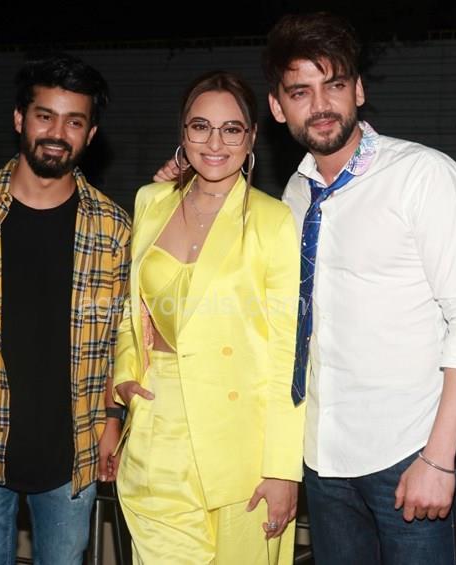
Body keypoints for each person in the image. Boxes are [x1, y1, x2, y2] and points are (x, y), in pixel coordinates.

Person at [156, 12, 456, 565]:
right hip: (319, 458)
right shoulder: (291, 198)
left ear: (358, 91)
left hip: (406, 453)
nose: (320, 105)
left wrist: (439, 457)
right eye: (300, 92)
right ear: (277, 107)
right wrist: (179, 184)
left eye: (334, 85)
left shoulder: (423, 176)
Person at [0, 51, 131, 565]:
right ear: (19, 119)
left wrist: (111, 423)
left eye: (74, 121)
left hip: (74, 452)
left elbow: (117, 340)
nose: (57, 133)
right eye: (45, 116)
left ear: (90, 133)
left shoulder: (113, 227)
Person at [112, 70, 305, 564]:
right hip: (157, 428)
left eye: (231, 129)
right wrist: (126, 374)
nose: (214, 143)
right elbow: (131, 304)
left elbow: (288, 352)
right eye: (200, 127)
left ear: (252, 137)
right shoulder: (150, 201)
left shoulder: (272, 221)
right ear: (183, 133)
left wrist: (282, 469)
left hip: (241, 445)